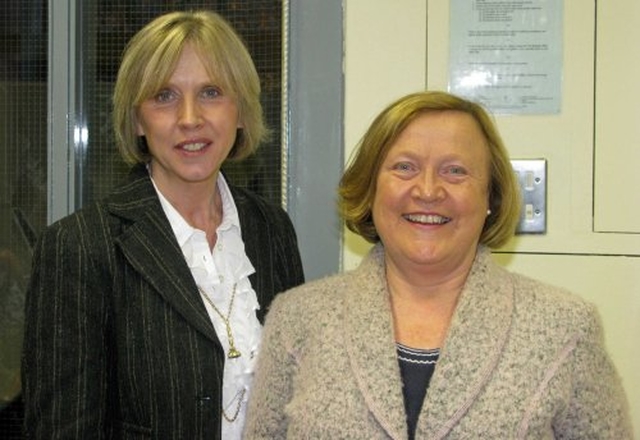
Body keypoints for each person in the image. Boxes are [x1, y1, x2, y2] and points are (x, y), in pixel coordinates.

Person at [244, 91, 633, 439]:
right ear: (371, 187)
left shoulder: (565, 328)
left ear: (490, 196)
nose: (428, 191)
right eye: (404, 167)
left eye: (455, 171)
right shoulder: (297, 319)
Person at [21, 10, 304, 439]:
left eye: (211, 92)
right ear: (137, 121)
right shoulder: (81, 246)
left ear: (242, 111)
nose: (190, 118)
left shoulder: (272, 228)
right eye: (164, 96)